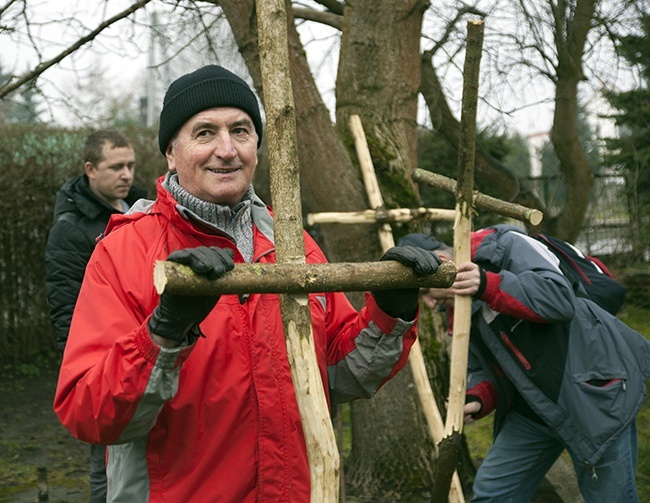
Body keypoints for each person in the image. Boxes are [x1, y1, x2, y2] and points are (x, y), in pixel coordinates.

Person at [53, 65, 443, 502]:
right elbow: (88, 415)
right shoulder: (124, 253)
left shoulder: (292, 244)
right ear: (171, 152)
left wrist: (390, 312)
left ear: (257, 143)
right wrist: (163, 334)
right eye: (204, 133)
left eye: (240, 130)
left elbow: (337, 375)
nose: (226, 150)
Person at [400, 226, 650, 503]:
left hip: (593, 395)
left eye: (426, 292)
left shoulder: (504, 245)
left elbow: (559, 298)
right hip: (534, 410)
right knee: (492, 494)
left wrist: (486, 284)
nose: (430, 303)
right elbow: (487, 365)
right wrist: (478, 396)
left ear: (441, 262)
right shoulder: (456, 304)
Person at [45, 129, 147, 503]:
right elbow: (67, 309)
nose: (126, 175)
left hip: (149, 353)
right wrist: (86, 375)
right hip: (104, 365)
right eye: (116, 167)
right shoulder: (70, 230)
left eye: (131, 165)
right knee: (105, 465)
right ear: (90, 169)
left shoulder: (141, 209)